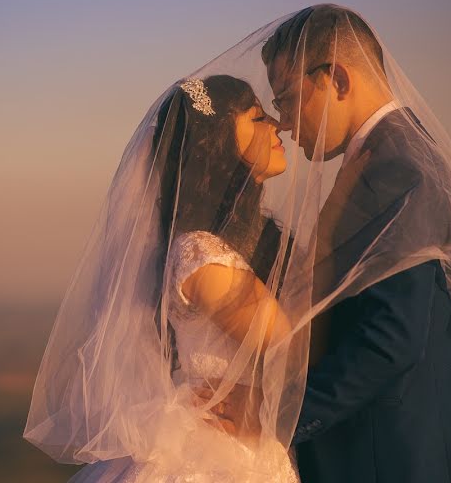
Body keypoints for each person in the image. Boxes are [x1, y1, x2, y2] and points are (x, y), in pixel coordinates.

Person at [260, 4, 451, 482]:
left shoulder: (393, 167)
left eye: (287, 98)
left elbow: (391, 338)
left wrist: (279, 422)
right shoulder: (394, 151)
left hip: (397, 454)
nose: (283, 122)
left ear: (338, 81)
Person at [25, 75, 301, 482]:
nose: (276, 125)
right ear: (219, 143)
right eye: (257, 116)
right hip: (225, 453)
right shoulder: (202, 256)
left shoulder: (242, 242)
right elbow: (291, 348)